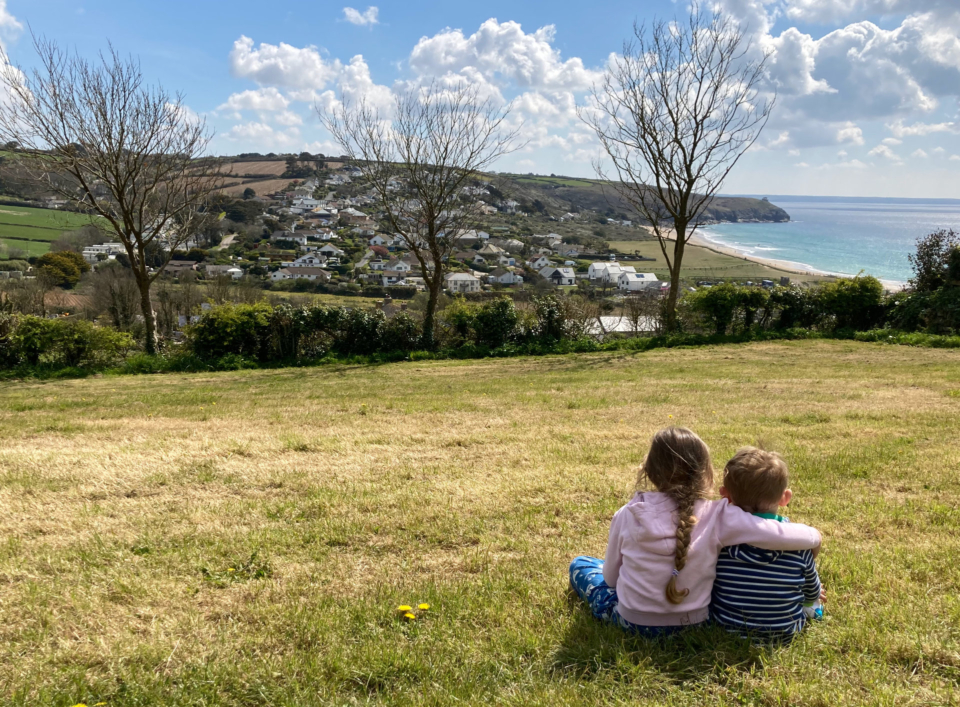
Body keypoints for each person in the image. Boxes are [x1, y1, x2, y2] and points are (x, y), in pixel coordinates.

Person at [569, 427, 822, 637]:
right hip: (695, 624)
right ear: (705, 472)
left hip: (632, 622)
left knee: (581, 564)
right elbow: (776, 534)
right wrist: (814, 536)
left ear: (650, 472)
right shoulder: (720, 514)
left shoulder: (628, 513)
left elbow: (611, 581)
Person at [710, 447, 825, 642]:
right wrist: (812, 596)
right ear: (785, 498)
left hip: (725, 626)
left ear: (726, 495)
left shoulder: (722, 539)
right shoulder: (799, 544)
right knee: (812, 600)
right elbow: (812, 591)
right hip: (785, 631)